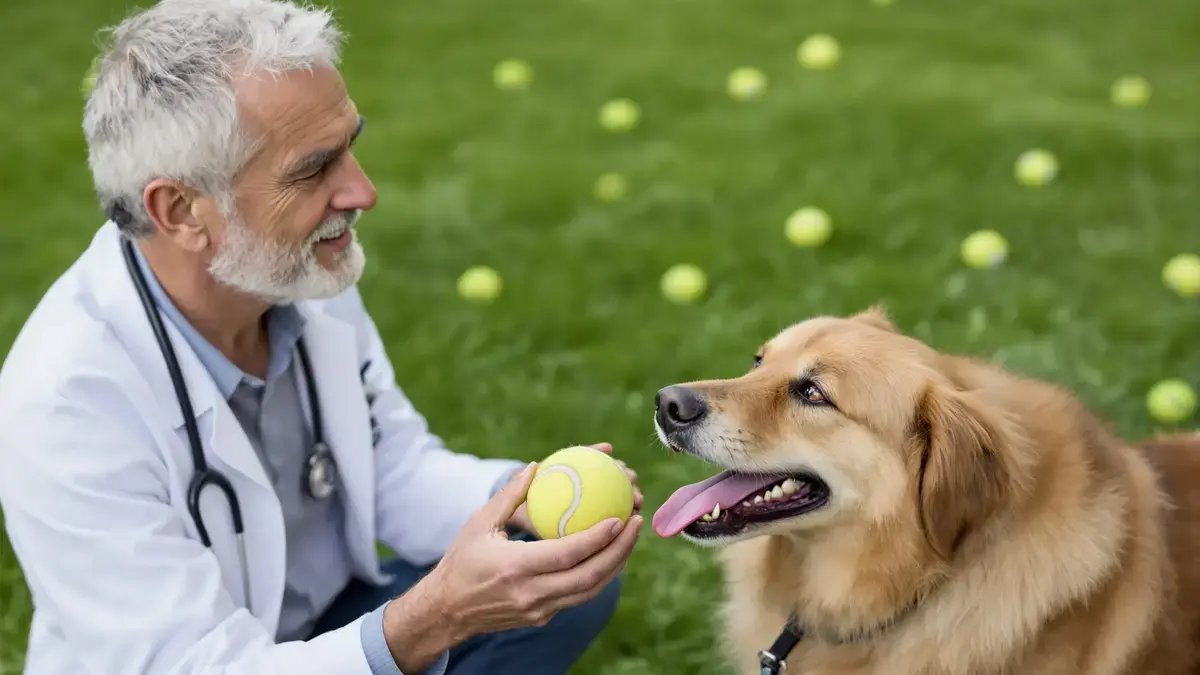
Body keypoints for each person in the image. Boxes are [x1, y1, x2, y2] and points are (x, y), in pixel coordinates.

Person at [0, 1, 645, 674]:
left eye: (350, 147)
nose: (362, 192)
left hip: (321, 627)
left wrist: (527, 494)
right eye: (313, 169)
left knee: (555, 579)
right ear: (182, 209)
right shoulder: (65, 405)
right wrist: (437, 616)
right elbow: (196, 664)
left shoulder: (297, 269)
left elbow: (391, 466)